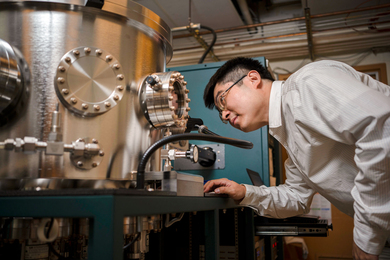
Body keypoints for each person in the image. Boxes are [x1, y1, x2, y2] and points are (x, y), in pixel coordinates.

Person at [202, 57, 390, 260]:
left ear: (253, 78)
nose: (225, 115)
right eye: (221, 114)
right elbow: (297, 199)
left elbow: (381, 131)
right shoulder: (289, 131)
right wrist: (244, 193)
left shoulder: (308, 84)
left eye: (223, 100)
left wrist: (366, 240)